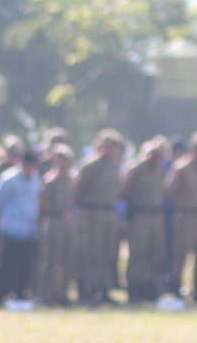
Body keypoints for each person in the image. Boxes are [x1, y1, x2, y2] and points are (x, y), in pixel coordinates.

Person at [74, 129, 124, 306]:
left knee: (108, 253)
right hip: (93, 213)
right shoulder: (90, 166)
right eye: (109, 146)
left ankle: (104, 289)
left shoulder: (115, 165)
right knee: (92, 253)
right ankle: (89, 290)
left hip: (110, 212)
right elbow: (78, 192)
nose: (112, 150)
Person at [166, 132, 197, 303]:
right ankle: (175, 286)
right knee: (181, 253)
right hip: (187, 215)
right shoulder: (181, 168)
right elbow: (171, 192)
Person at [122, 137, 168, 303]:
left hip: (156, 215)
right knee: (138, 253)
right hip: (140, 214)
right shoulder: (135, 169)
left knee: (155, 253)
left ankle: (150, 288)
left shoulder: (160, 169)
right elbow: (125, 192)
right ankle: (134, 289)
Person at [0, 149, 40, 302]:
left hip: (29, 227)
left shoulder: (35, 179)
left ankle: (21, 291)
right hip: (11, 226)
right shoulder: (9, 178)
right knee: (8, 261)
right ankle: (1, 292)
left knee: (25, 262)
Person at [36, 144, 75, 307]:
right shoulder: (49, 180)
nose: (63, 162)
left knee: (67, 259)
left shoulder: (71, 180)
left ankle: (62, 294)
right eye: (59, 158)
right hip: (53, 221)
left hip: (67, 221)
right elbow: (43, 204)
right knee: (52, 259)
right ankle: (47, 294)